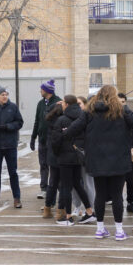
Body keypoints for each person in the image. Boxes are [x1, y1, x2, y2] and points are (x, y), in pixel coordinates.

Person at [63, 85, 133, 241]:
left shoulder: (90, 111)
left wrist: (72, 139)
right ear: (114, 96)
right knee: (117, 196)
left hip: (96, 161)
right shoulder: (122, 110)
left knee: (100, 195)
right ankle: (119, 231)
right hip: (118, 161)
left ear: (99, 95)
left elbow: (71, 131)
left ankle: (100, 229)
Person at [50, 95, 92, 225]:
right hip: (78, 157)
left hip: (65, 158)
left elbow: (55, 141)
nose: (61, 105)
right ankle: (90, 212)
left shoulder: (61, 120)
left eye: (63, 103)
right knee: (77, 184)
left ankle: (68, 217)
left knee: (66, 187)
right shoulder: (83, 117)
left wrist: (58, 154)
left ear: (67, 105)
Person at [31, 80, 61, 200]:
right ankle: (44, 188)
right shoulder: (40, 103)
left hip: (53, 141)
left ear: (47, 91)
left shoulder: (58, 102)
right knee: (43, 165)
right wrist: (33, 137)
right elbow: (37, 121)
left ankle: (58, 188)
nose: (40, 91)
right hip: (42, 140)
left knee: (54, 166)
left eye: (41, 89)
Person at [41, 101, 64, 219]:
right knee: (63, 184)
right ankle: (60, 211)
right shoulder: (63, 121)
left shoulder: (50, 120)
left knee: (52, 183)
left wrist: (54, 105)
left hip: (51, 156)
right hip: (62, 156)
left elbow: (46, 111)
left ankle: (47, 209)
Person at [117, 92, 133, 215]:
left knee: (131, 180)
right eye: (119, 102)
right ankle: (116, 200)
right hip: (117, 155)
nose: (121, 104)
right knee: (117, 181)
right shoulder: (111, 117)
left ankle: (131, 202)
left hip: (131, 153)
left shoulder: (131, 116)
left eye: (123, 102)